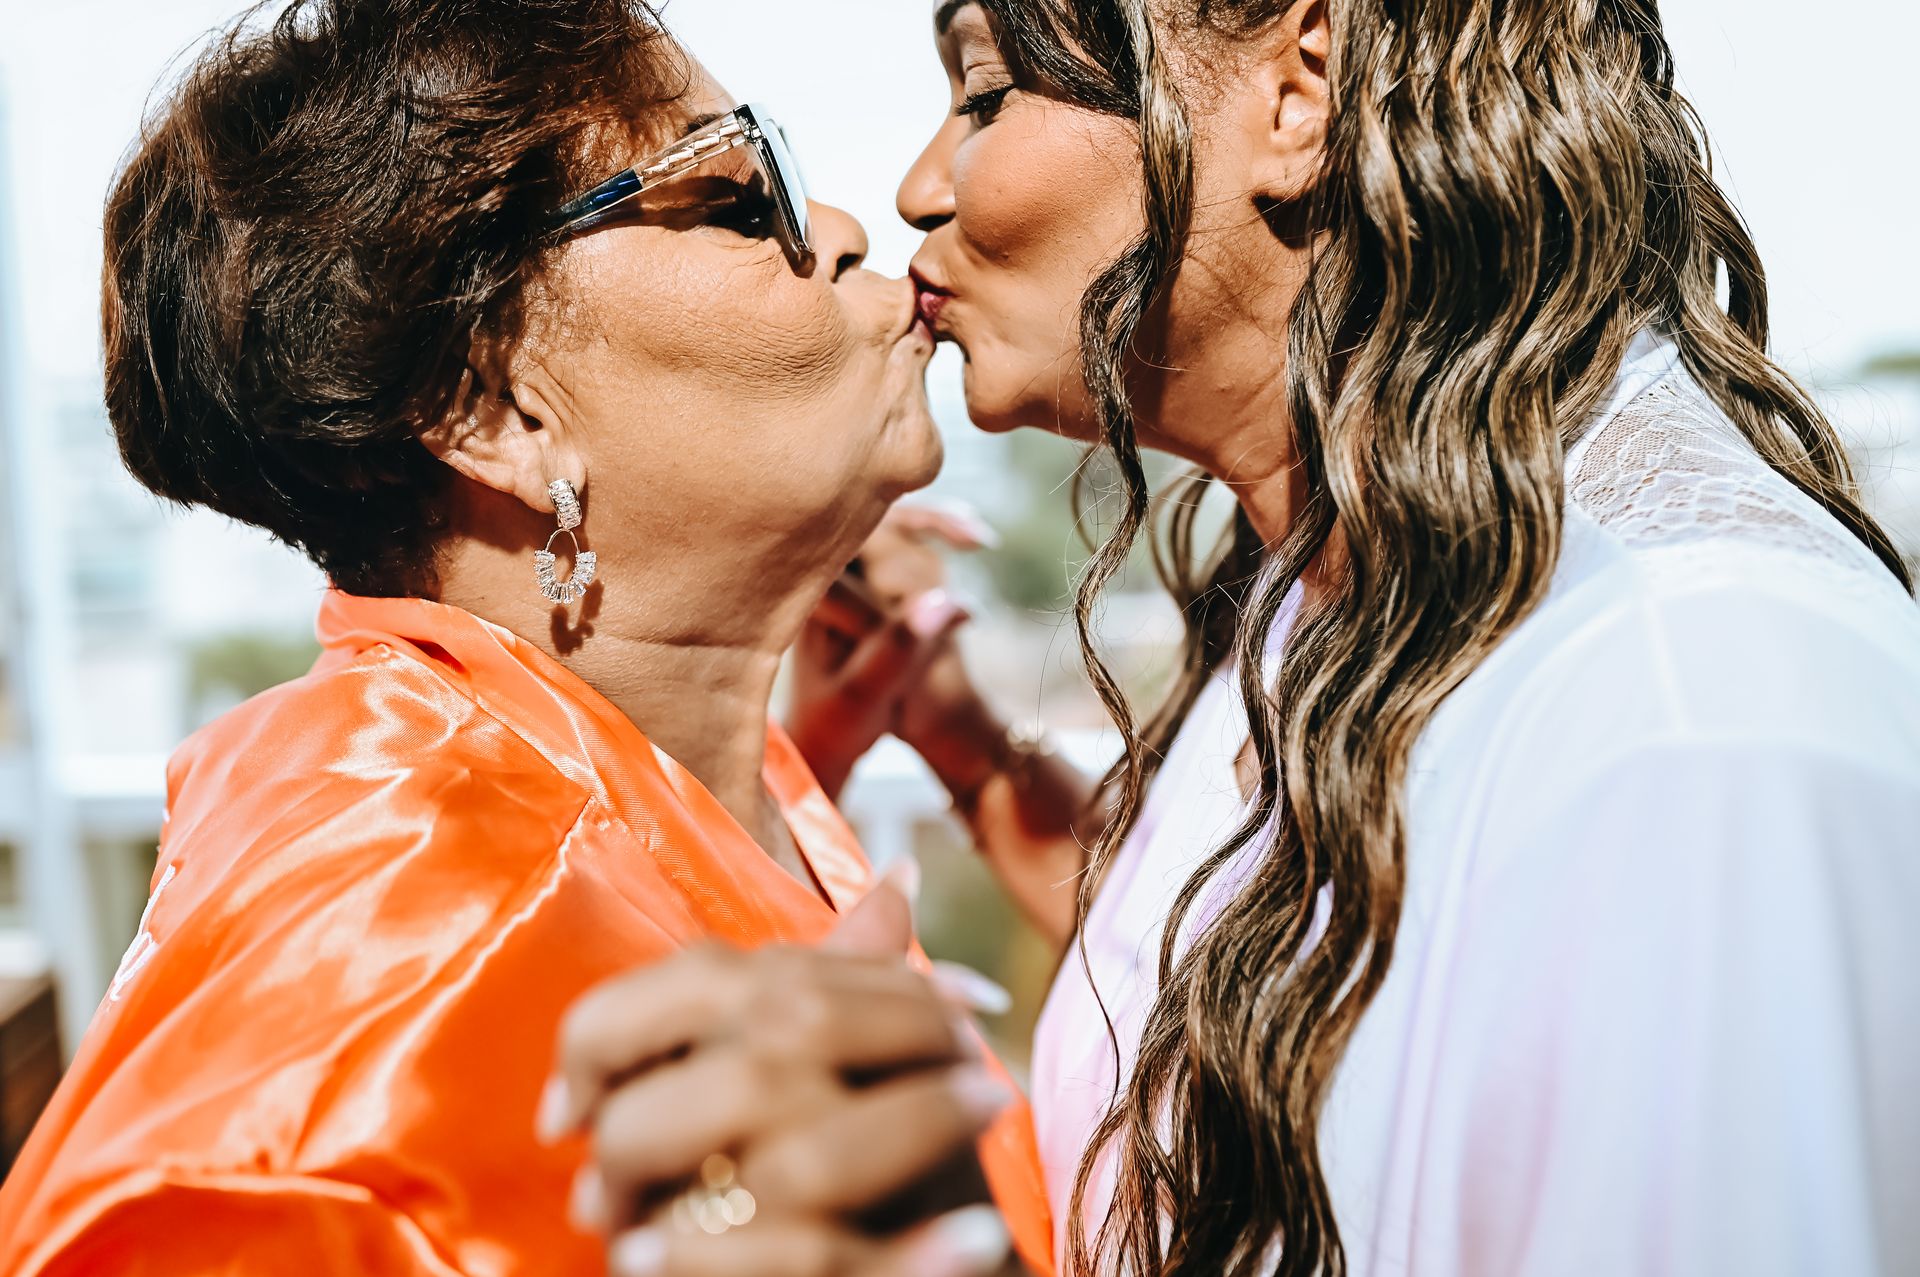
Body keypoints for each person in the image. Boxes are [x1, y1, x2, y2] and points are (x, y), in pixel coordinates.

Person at [558, 0, 1920, 1274]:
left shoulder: (1696, 734)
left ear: (1300, 92)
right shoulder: (1338, 585)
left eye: (984, 90)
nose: (918, 187)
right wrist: (965, 753)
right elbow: (1284, 970)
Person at [0, 2, 1054, 1274]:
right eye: (734, 192)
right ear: (495, 408)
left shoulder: (664, 748)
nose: (839, 230)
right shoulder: (381, 917)